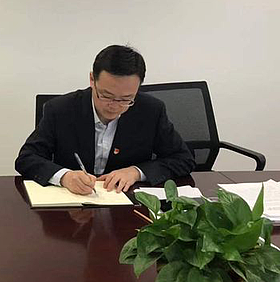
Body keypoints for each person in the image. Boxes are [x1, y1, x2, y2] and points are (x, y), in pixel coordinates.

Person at [15, 45, 195, 195]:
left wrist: (136, 172)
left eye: (126, 99)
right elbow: (27, 158)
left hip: (127, 205)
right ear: (92, 79)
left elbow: (183, 159)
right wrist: (64, 176)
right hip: (73, 205)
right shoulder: (60, 109)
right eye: (106, 95)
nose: (114, 106)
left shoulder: (151, 111)